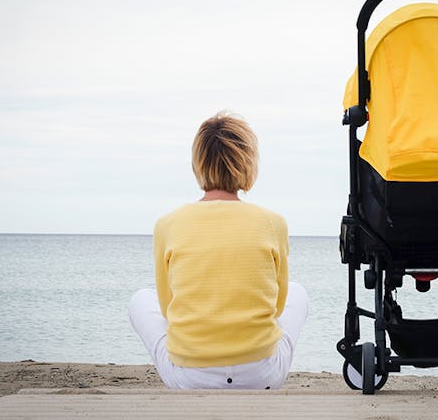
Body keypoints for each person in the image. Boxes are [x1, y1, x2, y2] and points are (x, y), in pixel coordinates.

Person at [128, 111, 308, 389]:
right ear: (248, 162)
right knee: (298, 292)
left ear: (198, 163)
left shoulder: (167, 225)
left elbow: (167, 308)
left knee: (141, 299)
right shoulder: (273, 223)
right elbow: (279, 305)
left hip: (189, 378)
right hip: (261, 376)